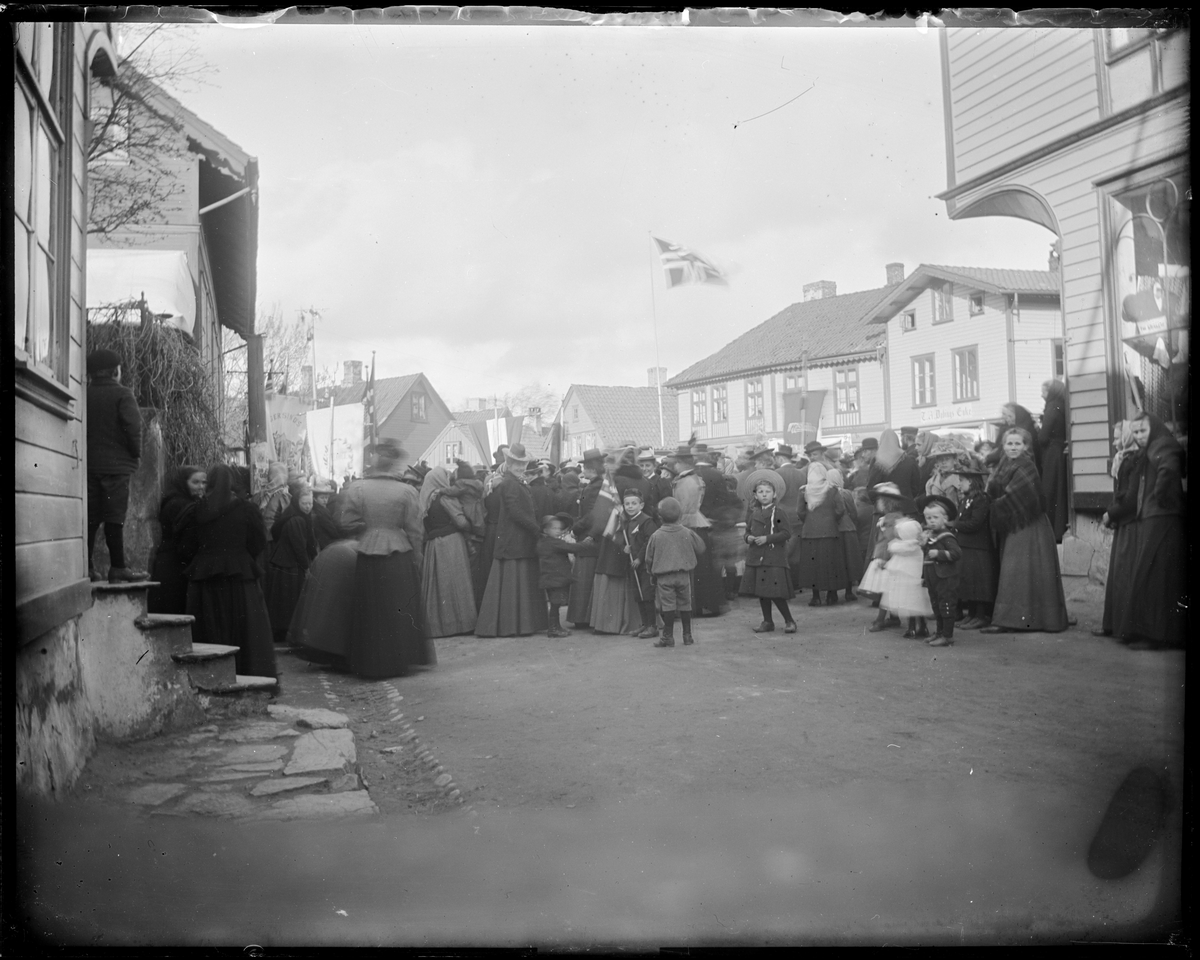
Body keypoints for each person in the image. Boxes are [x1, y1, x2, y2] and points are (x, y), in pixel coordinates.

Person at [339, 439, 433, 677]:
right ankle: (400, 660)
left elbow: (346, 522)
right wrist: (417, 558)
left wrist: (368, 529)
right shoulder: (407, 491)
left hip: (369, 553)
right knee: (398, 608)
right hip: (398, 554)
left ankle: (370, 661)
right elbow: (415, 531)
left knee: (370, 608)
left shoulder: (357, 489)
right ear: (393, 464)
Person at [179, 463, 277, 679]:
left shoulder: (199, 509)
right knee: (247, 630)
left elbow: (189, 544)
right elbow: (258, 542)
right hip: (240, 577)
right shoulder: (247, 509)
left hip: (206, 579)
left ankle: (210, 677)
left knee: (209, 629)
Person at [1107, 413, 1186, 650]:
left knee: (1155, 576)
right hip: (1153, 517)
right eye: (1137, 432)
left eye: (1143, 431)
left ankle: (1156, 636)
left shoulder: (1163, 444)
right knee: (1154, 576)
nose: (1140, 436)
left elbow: (1170, 471)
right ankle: (1153, 633)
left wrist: (1162, 498)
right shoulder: (1154, 446)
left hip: (1162, 518)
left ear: (1155, 429)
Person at [980, 428, 1069, 634]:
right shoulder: (1004, 465)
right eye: (1009, 444)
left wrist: (991, 506)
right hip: (1015, 523)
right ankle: (1016, 618)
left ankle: (1018, 620)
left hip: (1028, 525)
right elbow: (994, 489)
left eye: (1017, 444)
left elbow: (1017, 497)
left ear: (1026, 446)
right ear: (1003, 446)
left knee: (1020, 571)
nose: (1013, 448)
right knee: (1017, 571)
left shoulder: (1026, 466)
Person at [85, 348, 148, 583]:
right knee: (114, 518)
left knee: (90, 519)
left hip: (89, 467)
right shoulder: (123, 394)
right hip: (117, 468)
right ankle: (118, 567)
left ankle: (88, 568)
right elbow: (132, 428)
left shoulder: (85, 395)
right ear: (115, 371)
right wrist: (136, 454)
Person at [476, 443, 547, 637]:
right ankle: (514, 625)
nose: (520, 467)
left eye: (522, 464)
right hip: (513, 539)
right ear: (508, 462)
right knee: (515, 581)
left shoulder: (516, 481)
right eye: (516, 463)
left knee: (519, 581)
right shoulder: (509, 482)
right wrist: (535, 528)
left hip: (519, 539)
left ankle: (520, 624)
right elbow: (514, 510)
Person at [418, 465, 478, 639]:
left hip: (433, 545)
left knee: (438, 586)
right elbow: (460, 522)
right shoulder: (445, 498)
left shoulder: (426, 499)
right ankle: (460, 624)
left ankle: (439, 626)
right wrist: (471, 524)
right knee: (456, 582)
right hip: (451, 542)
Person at [1093, 421, 1139, 640]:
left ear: (1128, 437)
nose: (1113, 442)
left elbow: (1129, 499)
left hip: (1130, 522)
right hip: (1124, 521)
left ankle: (1123, 627)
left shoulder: (1132, 461)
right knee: (1117, 575)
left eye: (1117, 437)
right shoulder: (1125, 459)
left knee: (1123, 575)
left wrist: (1111, 513)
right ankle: (1114, 625)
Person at [671, 445, 725, 617]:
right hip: (697, 525)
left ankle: (698, 606)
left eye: (676, 463)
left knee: (696, 569)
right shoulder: (694, 478)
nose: (674, 467)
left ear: (682, 463)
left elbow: (685, 508)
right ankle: (705, 605)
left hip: (690, 525)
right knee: (702, 567)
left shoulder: (686, 481)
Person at [644, 497, 705, 648]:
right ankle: (687, 635)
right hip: (684, 575)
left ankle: (668, 637)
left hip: (664, 577)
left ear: (659, 516)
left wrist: (651, 572)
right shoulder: (687, 532)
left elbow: (648, 558)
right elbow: (701, 547)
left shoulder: (656, 535)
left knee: (667, 606)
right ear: (680, 515)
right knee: (685, 603)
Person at [263, 481, 318, 647]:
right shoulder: (297, 520)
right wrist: (307, 567)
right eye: (304, 503)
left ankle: (283, 631)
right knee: (289, 599)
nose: (308, 507)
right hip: (290, 565)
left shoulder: (295, 515)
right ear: (297, 502)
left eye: (310, 503)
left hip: (285, 563)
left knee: (284, 600)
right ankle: (287, 632)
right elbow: (299, 547)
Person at [740, 472, 797, 634]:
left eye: (767, 492)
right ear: (755, 495)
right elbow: (747, 531)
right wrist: (748, 537)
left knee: (775, 592)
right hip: (756, 557)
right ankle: (767, 621)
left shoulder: (778, 513)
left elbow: (786, 533)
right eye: (760, 492)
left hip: (773, 558)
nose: (764, 495)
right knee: (762, 592)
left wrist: (767, 538)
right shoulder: (753, 513)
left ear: (774, 494)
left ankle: (789, 621)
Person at [795, 441, 850, 606]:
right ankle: (832, 595)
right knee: (830, 563)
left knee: (813, 565)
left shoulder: (804, 491)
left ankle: (816, 596)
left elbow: (800, 512)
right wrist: (831, 520)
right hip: (830, 532)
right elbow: (840, 510)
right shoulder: (831, 489)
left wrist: (810, 522)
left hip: (810, 533)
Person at [148, 465, 206, 614]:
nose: (201, 487)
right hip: (174, 565)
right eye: (196, 482)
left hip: (170, 562)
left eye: (204, 482)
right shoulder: (180, 505)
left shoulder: (177, 501)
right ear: (183, 482)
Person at [948, 469, 996, 630]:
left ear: (972, 482)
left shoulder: (981, 499)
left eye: (962, 480)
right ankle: (972, 615)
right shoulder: (966, 499)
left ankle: (981, 616)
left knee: (978, 583)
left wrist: (954, 525)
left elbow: (975, 523)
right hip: (967, 546)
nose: (959, 483)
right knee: (970, 583)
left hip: (978, 547)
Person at [566, 448, 605, 627]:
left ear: (593, 470)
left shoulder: (594, 488)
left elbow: (590, 515)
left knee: (584, 577)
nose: (583, 472)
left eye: (586, 468)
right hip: (590, 534)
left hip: (589, 535)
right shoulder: (592, 486)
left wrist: (575, 528)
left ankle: (582, 616)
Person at [918, 494, 962, 647]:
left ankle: (947, 636)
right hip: (933, 577)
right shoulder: (931, 535)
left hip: (946, 577)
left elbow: (957, 553)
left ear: (945, 518)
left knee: (946, 605)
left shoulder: (947, 537)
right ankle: (939, 632)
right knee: (936, 605)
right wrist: (923, 544)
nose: (931, 521)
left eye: (935, 517)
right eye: (928, 518)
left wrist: (939, 554)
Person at [881, 513, 933, 639]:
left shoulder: (901, 546)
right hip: (916, 580)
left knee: (910, 606)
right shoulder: (918, 546)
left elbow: (893, 547)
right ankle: (923, 626)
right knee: (918, 605)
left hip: (906, 581)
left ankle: (912, 628)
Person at [619, 491, 660, 638]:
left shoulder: (646, 521)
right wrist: (626, 548)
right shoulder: (628, 522)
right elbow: (630, 541)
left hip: (645, 565)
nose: (630, 506)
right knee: (639, 595)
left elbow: (649, 541)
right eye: (627, 504)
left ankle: (653, 626)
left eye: (634, 503)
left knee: (647, 595)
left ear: (641, 505)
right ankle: (645, 624)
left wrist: (639, 559)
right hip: (634, 565)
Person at [538, 512, 585, 638]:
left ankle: (556, 626)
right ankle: (553, 628)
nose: (557, 531)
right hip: (555, 580)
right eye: (554, 528)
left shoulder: (543, 542)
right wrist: (587, 543)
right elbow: (571, 547)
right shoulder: (554, 542)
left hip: (550, 579)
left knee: (556, 603)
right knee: (555, 604)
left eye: (559, 528)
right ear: (545, 530)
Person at [1038, 379, 1070, 542]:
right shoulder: (1063, 405)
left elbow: (1043, 437)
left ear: (1050, 392)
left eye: (1043, 391)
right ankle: (1058, 530)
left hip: (1052, 453)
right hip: (1060, 452)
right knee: (1059, 491)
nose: (1041, 395)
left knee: (1050, 491)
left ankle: (1050, 532)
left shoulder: (1052, 406)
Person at [830, 470, 863, 602]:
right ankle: (849, 592)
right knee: (849, 561)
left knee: (835, 562)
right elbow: (853, 513)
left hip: (833, 530)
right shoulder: (845, 493)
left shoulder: (825, 494)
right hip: (848, 529)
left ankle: (832, 594)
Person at [310, 479, 342, 551]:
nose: (325, 500)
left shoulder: (321, 509)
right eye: (322, 498)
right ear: (315, 499)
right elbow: (331, 529)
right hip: (325, 543)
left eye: (326, 498)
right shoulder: (320, 512)